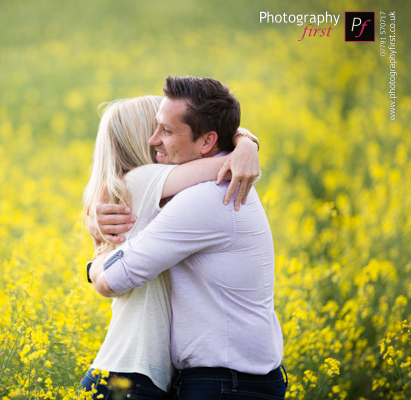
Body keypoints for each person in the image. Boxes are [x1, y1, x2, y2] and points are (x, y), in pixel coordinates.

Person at [89, 76, 286, 400]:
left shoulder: (206, 197)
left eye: (166, 130)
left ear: (206, 141)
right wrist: (243, 144)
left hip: (226, 384)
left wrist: (94, 264)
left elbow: (112, 278)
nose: (156, 140)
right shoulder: (185, 186)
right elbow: (215, 151)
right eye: (154, 128)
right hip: (210, 380)